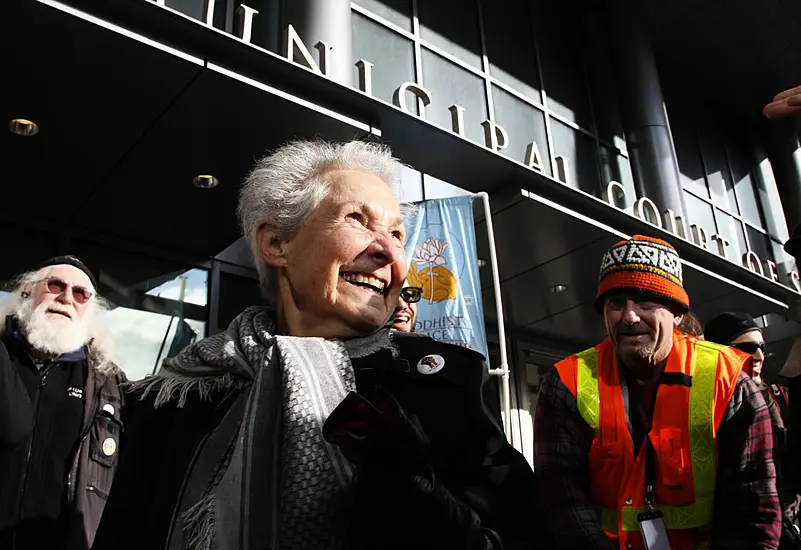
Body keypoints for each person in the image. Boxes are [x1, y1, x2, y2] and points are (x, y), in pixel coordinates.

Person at [92, 140, 541, 550]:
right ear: (277, 243)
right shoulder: (180, 393)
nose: (388, 251)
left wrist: (417, 488)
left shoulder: (445, 382)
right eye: (357, 220)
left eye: (398, 234)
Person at [534, 234, 781, 550]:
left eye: (645, 300)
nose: (630, 316)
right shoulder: (566, 382)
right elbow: (561, 501)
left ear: (677, 313)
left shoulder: (729, 382)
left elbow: (753, 507)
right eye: (616, 302)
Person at [0, 256, 126, 550]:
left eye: (81, 294)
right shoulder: (4, 356)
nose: (67, 297)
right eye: (55, 285)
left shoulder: (110, 386)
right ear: (28, 292)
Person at [705, 312, 801, 548]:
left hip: (787, 526)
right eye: (748, 347)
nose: (759, 356)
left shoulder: (781, 399)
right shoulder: (706, 408)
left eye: (761, 346)